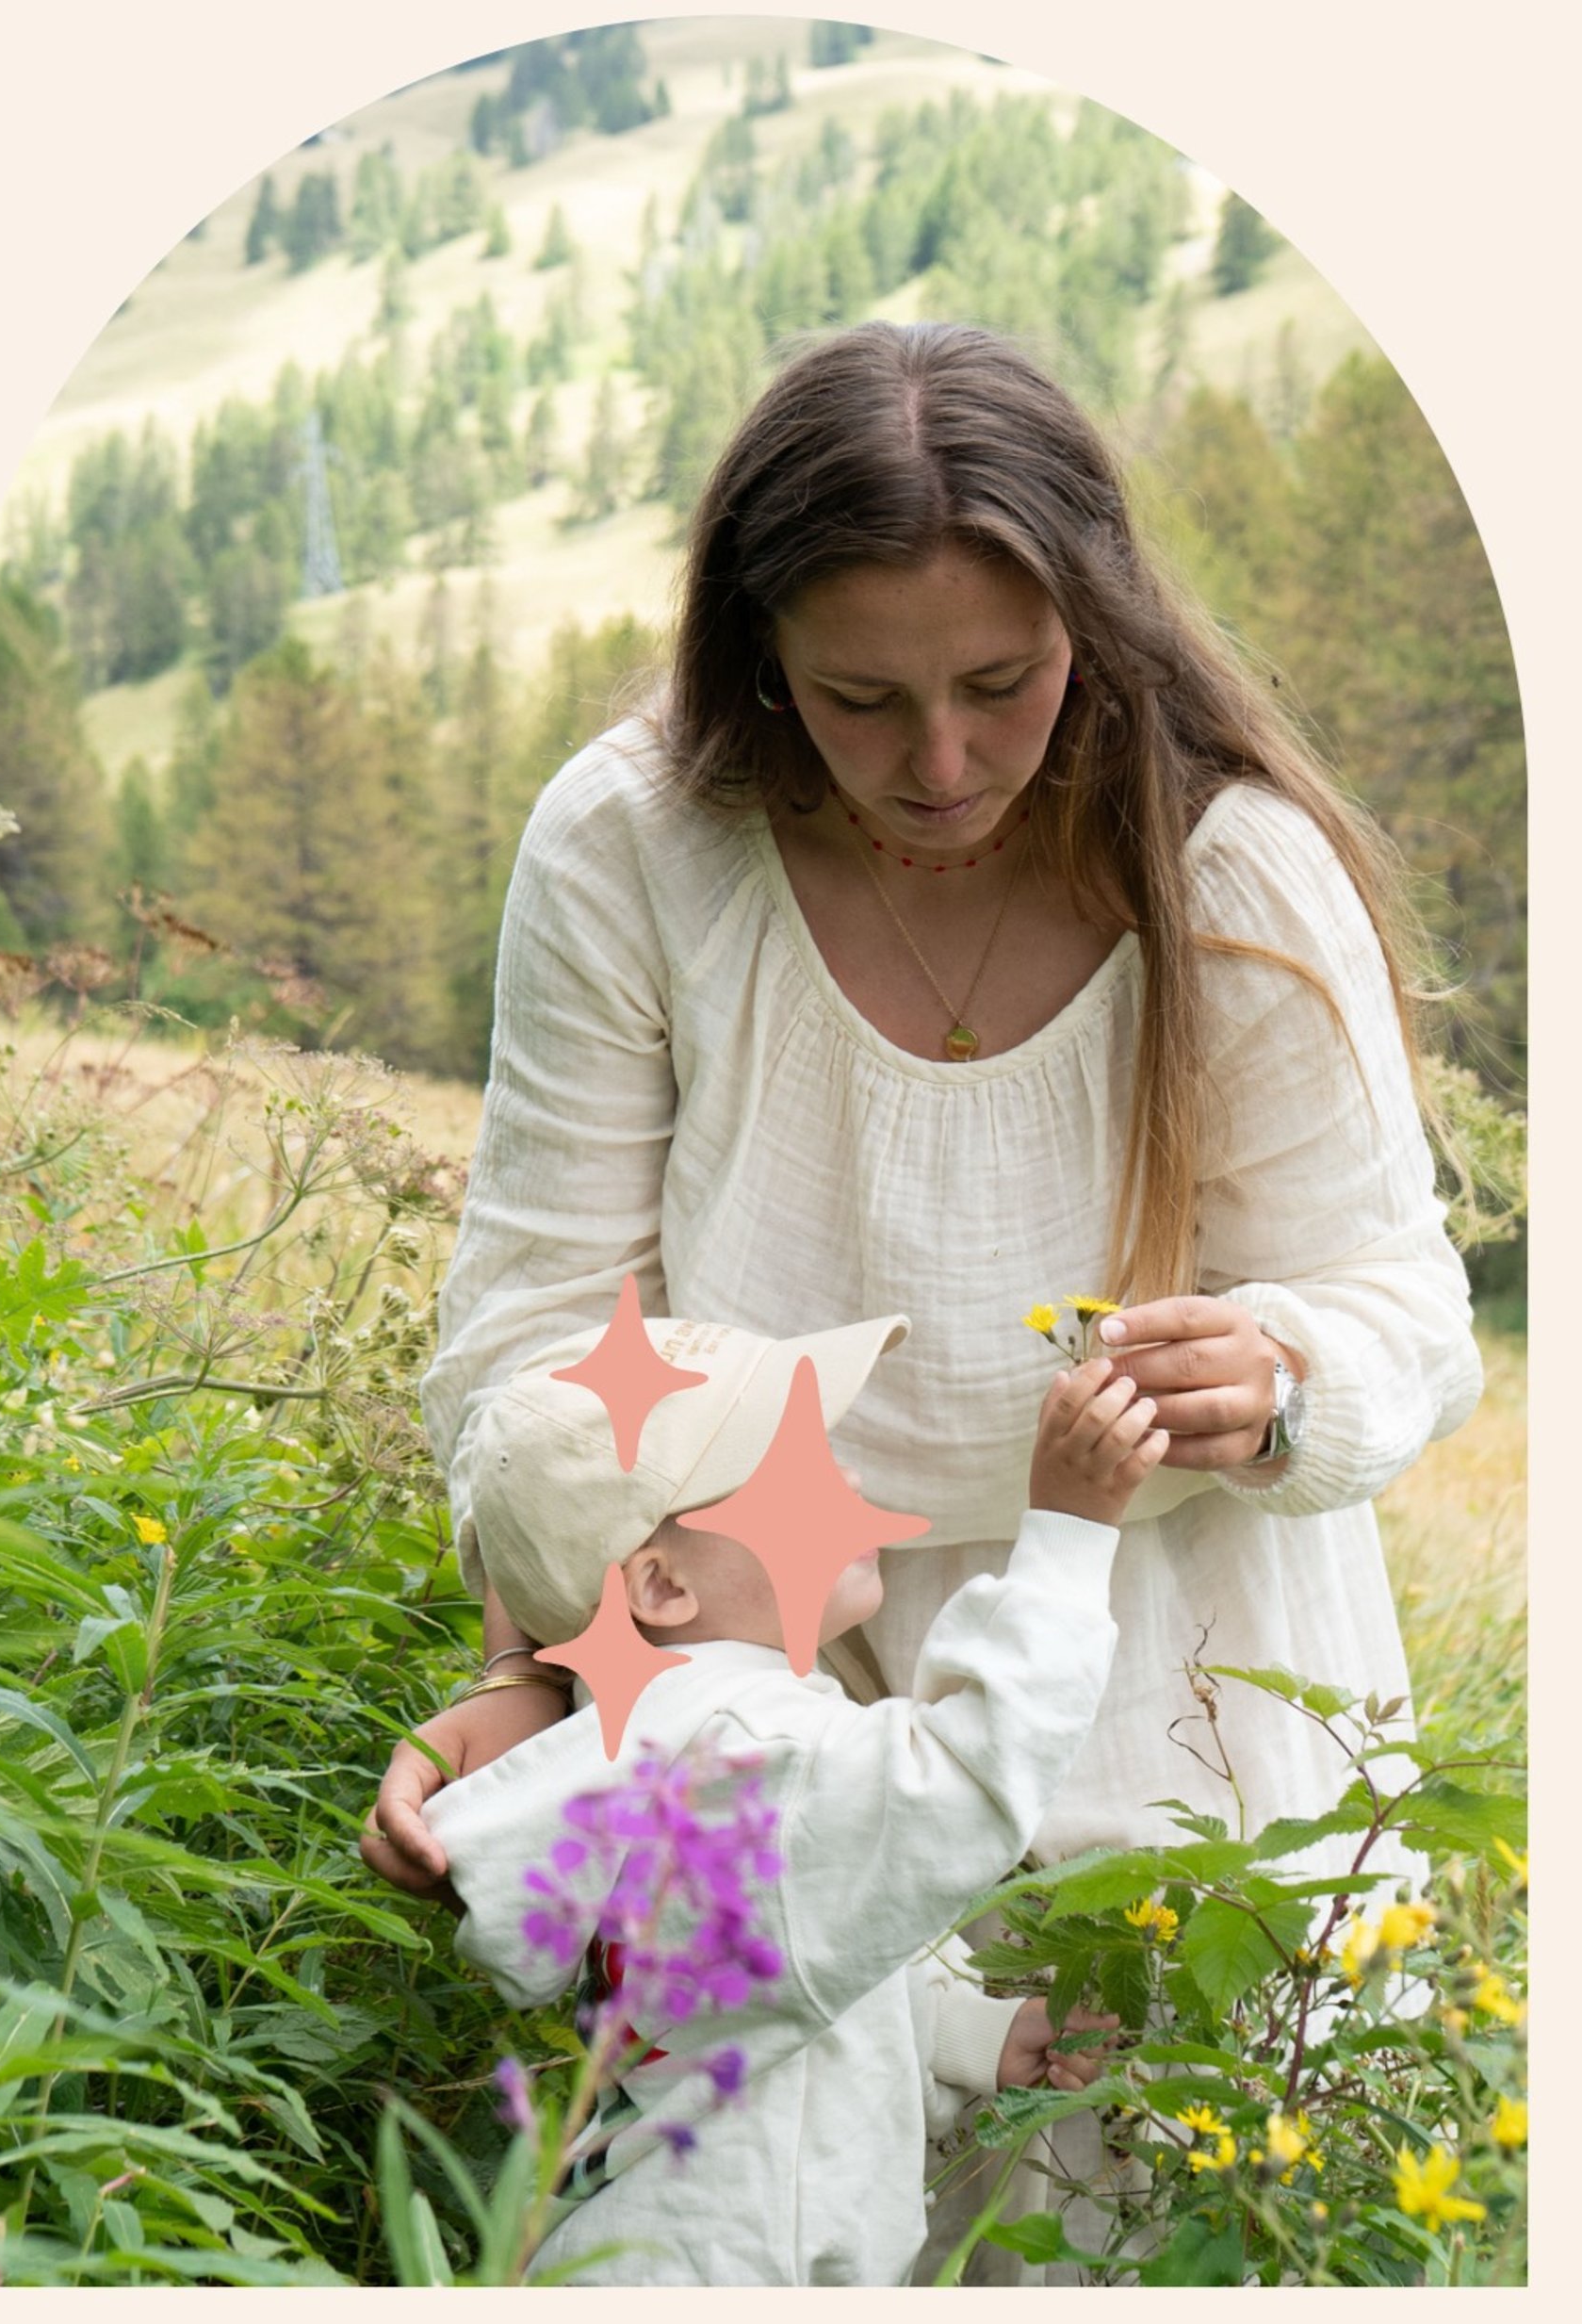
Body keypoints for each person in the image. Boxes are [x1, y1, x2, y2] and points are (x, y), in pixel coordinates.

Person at [364, 319, 1482, 2272]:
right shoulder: (637, 844)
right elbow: (540, 1337)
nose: (942, 764)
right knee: (798, 2215)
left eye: (1002, 685)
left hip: (1187, 1675)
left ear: (1097, 629)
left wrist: (1283, 1373)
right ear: (757, 657)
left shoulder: (1231, 868)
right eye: (860, 698)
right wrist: (552, 1675)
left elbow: (1404, 1305)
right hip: (786, 1679)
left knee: (1178, 2221)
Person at [424, 1304, 1160, 2286]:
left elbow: (777, 1961)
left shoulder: (669, 1743)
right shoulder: (745, 1749)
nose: (848, 1480)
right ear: (660, 1586)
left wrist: (980, 2034)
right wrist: (1068, 1533)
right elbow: (960, 1788)